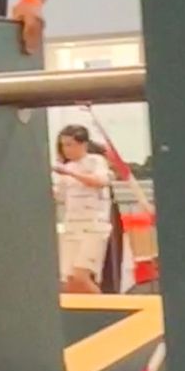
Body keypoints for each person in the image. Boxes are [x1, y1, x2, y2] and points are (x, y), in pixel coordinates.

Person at [52, 125, 116, 295]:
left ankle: (105, 308)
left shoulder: (95, 161)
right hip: (72, 226)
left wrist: (70, 174)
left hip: (94, 225)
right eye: (64, 145)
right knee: (69, 281)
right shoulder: (67, 168)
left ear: (83, 144)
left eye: (70, 144)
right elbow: (58, 196)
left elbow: (99, 181)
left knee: (81, 275)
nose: (67, 149)